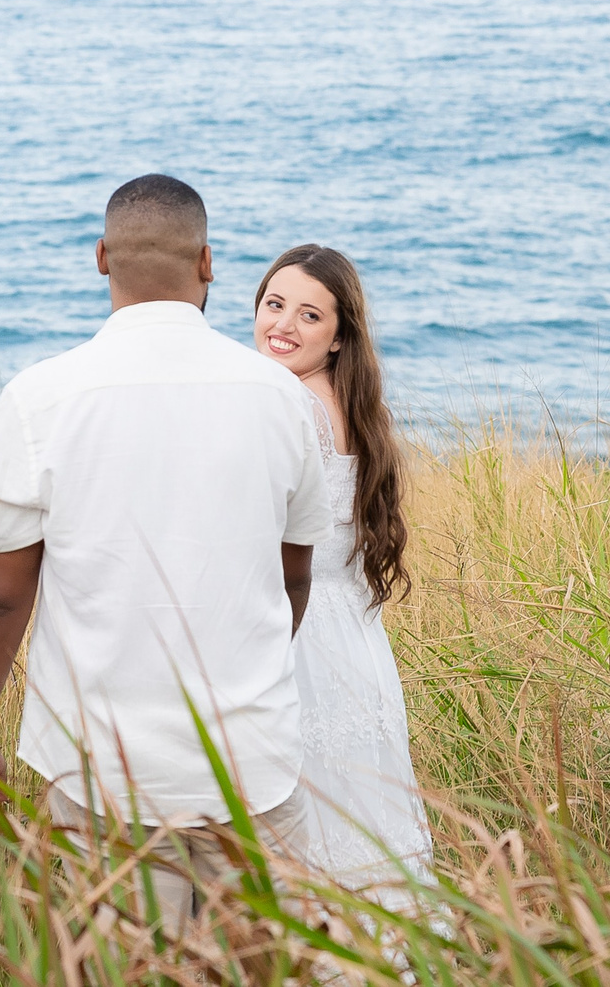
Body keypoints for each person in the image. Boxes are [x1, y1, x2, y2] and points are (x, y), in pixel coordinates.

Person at [0, 175, 333, 924]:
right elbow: (295, 577)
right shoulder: (280, 398)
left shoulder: (42, 396)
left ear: (100, 259)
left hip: (100, 777)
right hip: (252, 768)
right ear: (208, 263)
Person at [252, 244, 432, 891]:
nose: (283, 326)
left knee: (305, 823)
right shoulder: (354, 407)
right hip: (353, 636)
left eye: (309, 316)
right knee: (360, 817)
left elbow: (261, 536)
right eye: (274, 305)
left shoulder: (290, 406)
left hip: (299, 630)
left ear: (336, 338)